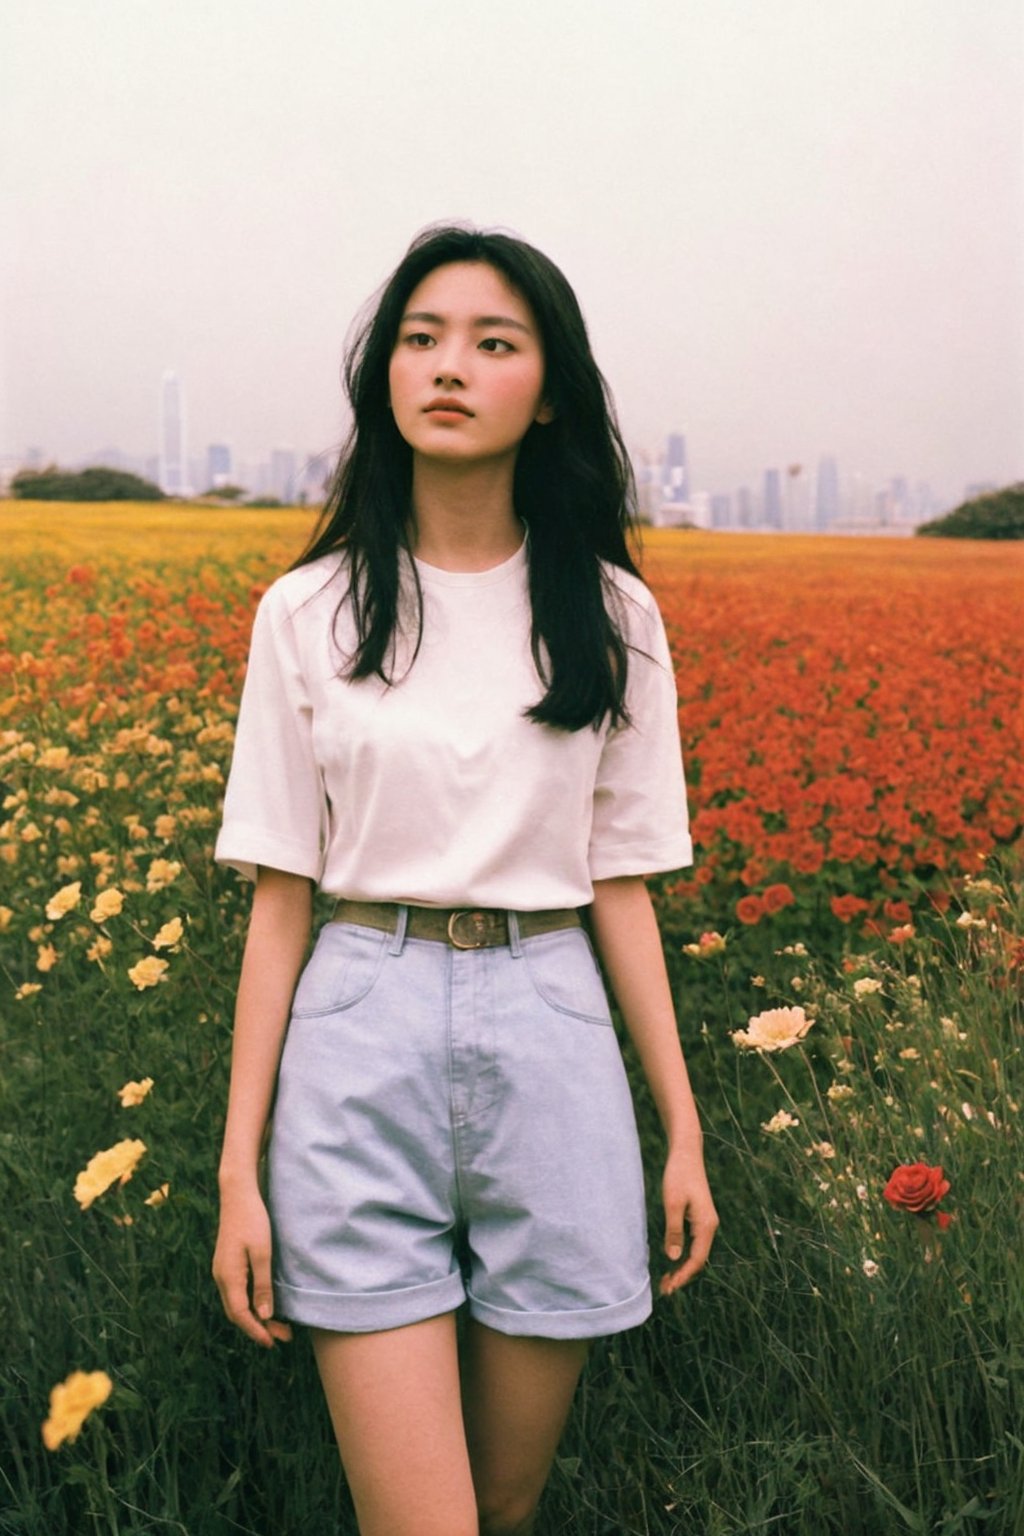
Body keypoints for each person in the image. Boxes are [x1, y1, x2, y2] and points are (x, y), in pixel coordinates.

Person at [211, 223, 718, 1536]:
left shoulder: (612, 618)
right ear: (385, 374)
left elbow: (621, 882)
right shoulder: (307, 612)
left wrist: (684, 1126)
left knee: (502, 1508)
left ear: (545, 390)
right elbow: (279, 897)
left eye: (494, 344)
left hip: (553, 1038)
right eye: (422, 339)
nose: (450, 367)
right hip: (355, 1026)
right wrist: (235, 1172)